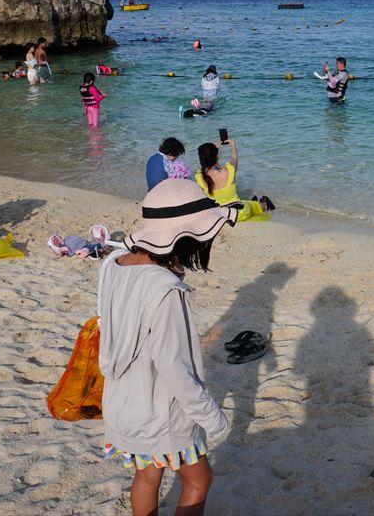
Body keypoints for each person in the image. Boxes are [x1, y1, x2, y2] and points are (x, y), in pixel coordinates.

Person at [99, 178, 237, 516]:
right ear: (186, 236)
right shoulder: (166, 291)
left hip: (123, 402)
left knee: (147, 476)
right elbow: (175, 368)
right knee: (198, 480)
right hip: (160, 415)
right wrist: (213, 419)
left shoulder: (114, 265)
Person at [194, 139, 274, 222]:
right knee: (249, 205)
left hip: (220, 216)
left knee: (242, 202)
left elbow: (208, 168)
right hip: (239, 214)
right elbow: (234, 157)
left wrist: (216, 153)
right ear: (217, 156)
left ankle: (256, 202)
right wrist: (233, 145)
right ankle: (264, 205)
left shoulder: (199, 177)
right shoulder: (229, 170)